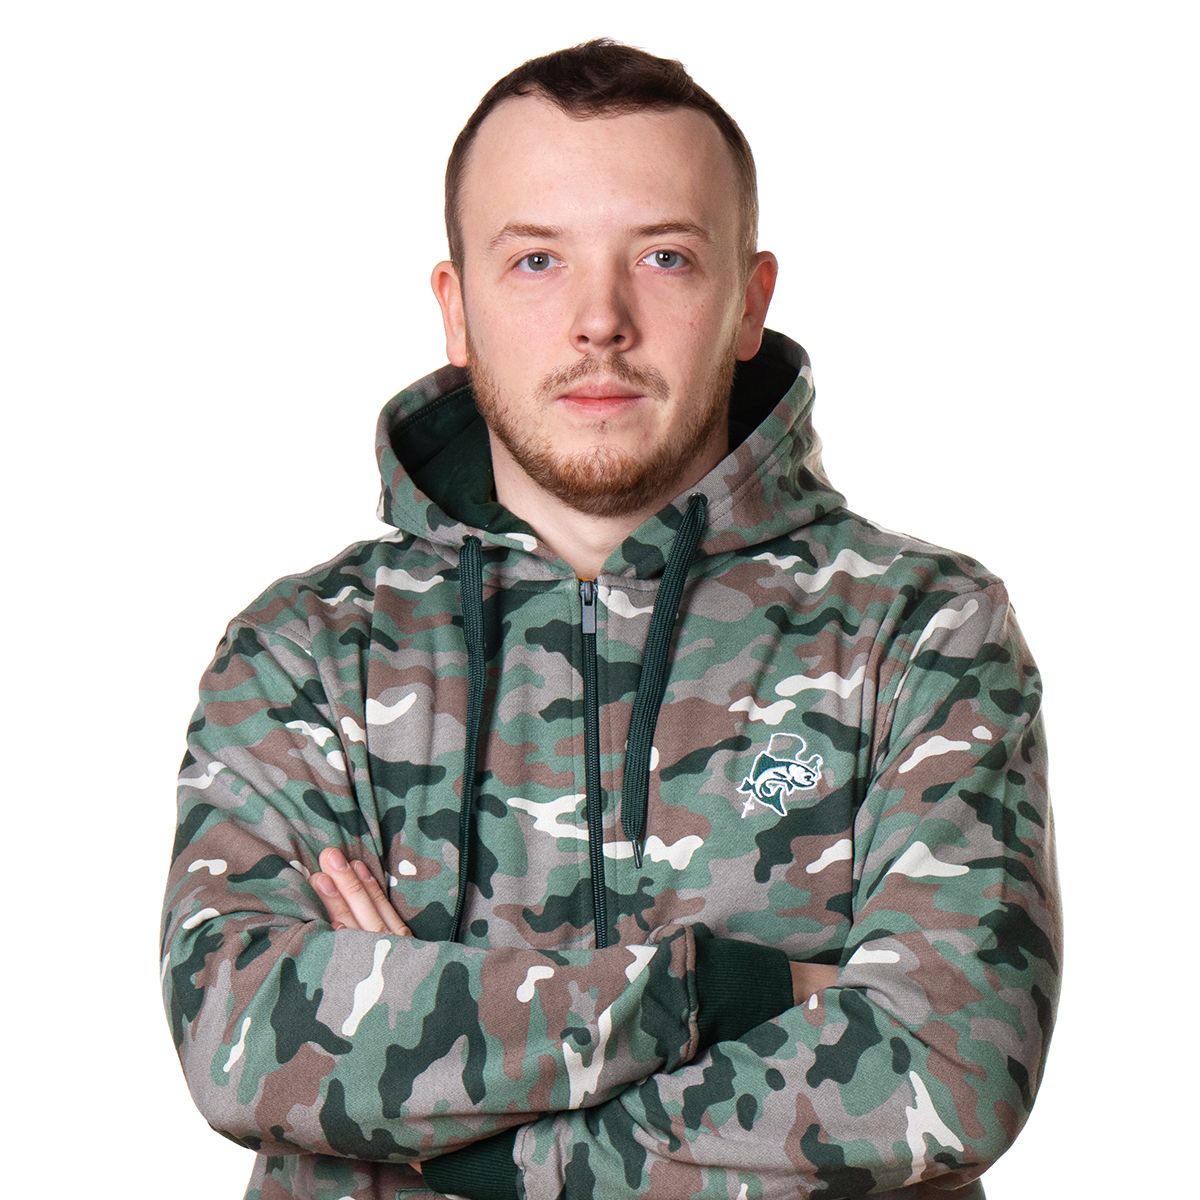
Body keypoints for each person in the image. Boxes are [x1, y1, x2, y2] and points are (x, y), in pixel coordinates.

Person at [161, 38, 1061, 1200]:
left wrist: (445, 1121)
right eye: (536, 259)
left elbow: (950, 1070)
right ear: (457, 308)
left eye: (665, 257)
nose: (600, 319)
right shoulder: (305, 653)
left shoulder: (922, 630)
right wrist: (726, 994)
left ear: (748, 302)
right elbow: (245, 1040)